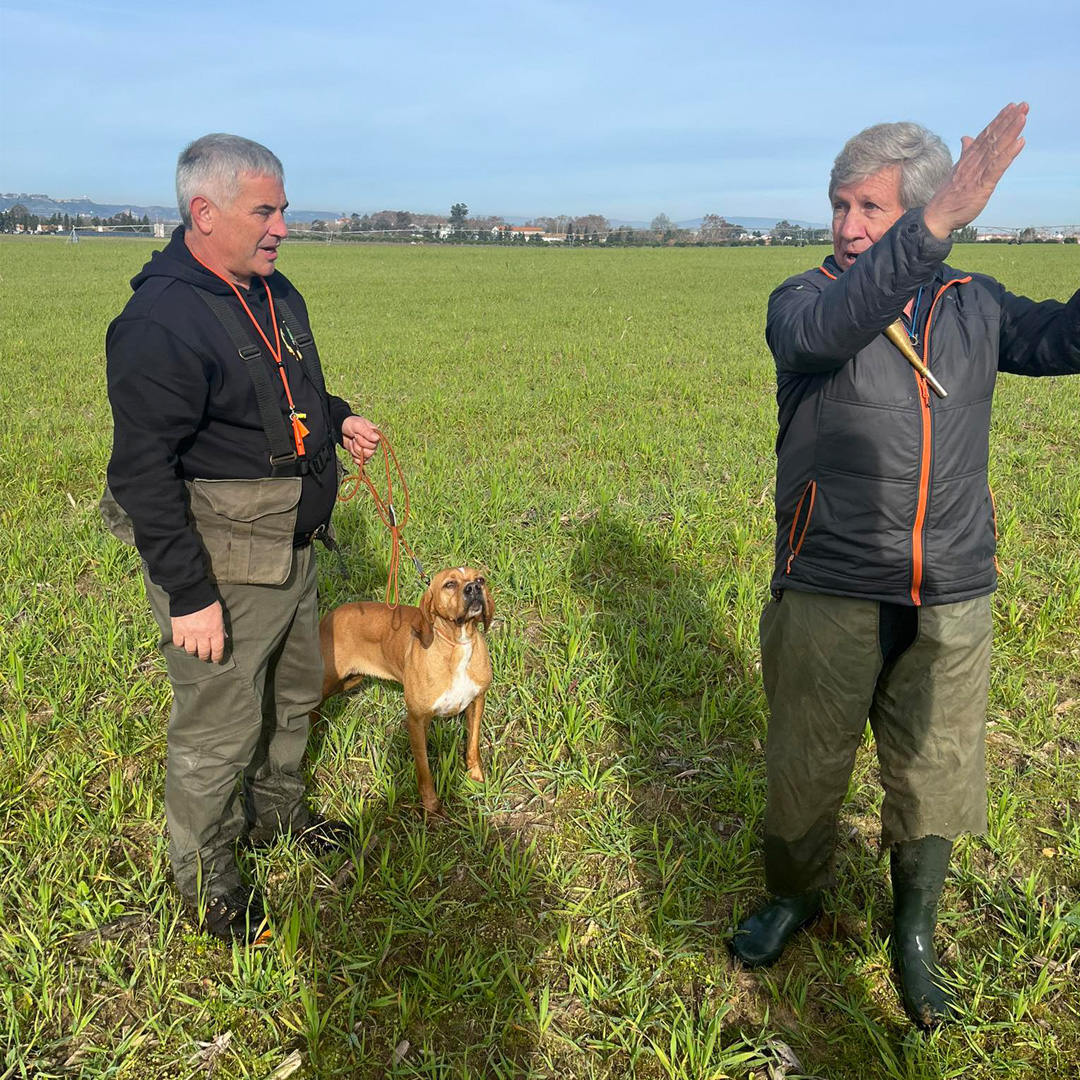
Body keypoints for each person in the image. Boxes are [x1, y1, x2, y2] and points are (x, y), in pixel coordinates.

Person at [729, 103, 1080, 1028]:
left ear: (917, 211)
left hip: (952, 587)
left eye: (870, 209)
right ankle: (794, 897)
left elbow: (1067, 341)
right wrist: (931, 225)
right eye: (840, 205)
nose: (847, 227)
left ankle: (911, 932)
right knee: (806, 760)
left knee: (938, 766)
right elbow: (831, 329)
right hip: (830, 580)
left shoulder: (977, 305)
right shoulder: (805, 301)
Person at [102, 134, 380, 943]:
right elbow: (142, 476)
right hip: (221, 565)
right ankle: (207, 881)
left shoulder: (272, 291)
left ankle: (280, 817)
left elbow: (287, 387)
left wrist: (339, 415)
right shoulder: (160, 321)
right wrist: (190, 597)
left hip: (290, 550)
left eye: (283, 209)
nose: (282, 226)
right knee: (218, 729)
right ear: (205, 212)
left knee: (293, 699)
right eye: (266, 210)